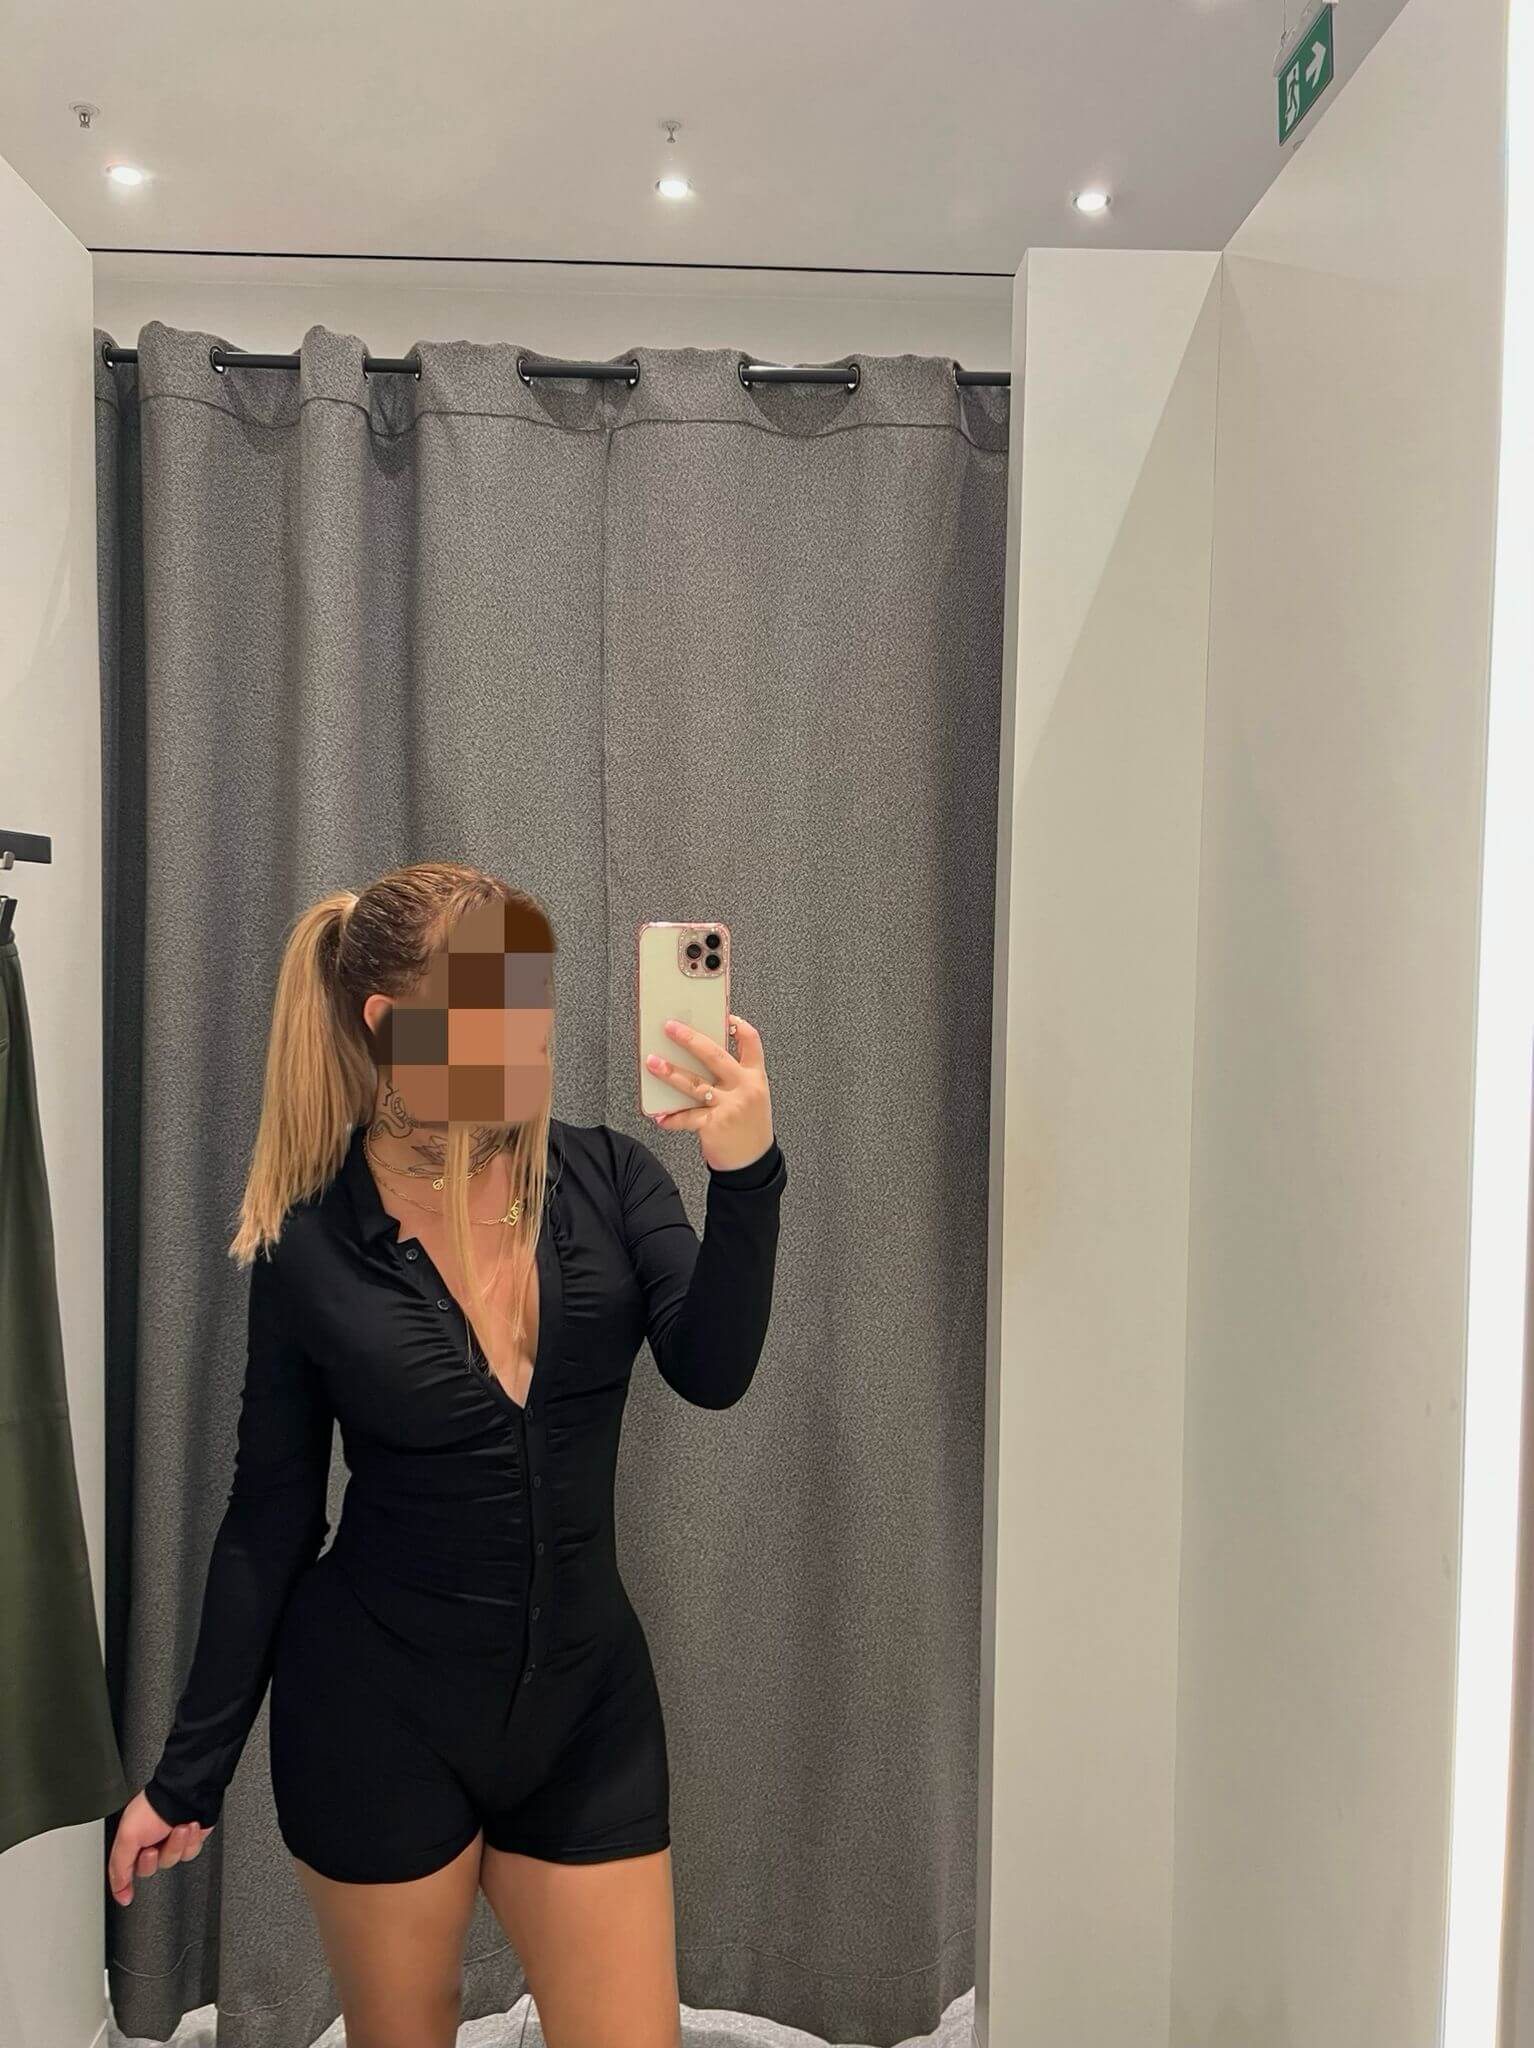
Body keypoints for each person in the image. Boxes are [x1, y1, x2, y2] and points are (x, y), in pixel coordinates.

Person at [107, 862, 788, 2048]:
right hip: (376, 1716)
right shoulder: (312, 1237)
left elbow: (712, 1365)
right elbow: (271, 1517)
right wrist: (187, 1774)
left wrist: (746, 1170)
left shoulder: (609, 1177)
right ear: (391, 1022)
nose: (533, 1027)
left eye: (534, 992)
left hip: (586, 1716)